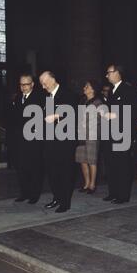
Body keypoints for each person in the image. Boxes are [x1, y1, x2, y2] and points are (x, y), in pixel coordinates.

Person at [40, 71, 77, 213]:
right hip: (50, 141)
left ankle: (65, 202)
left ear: (52, 79)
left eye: (44, 83)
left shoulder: (69, 94)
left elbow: (73, 113)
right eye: (42, 84)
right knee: (52, 171)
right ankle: (56, 197)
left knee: (65, 171)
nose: (43, 86)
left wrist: (56, 116)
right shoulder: (48, 97)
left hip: (65, 141)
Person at [103, 64, 137, 204]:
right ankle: (113, 192)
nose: (107, 75)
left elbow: (133, 111)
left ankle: (123, 195)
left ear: (117, 73)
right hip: (111, 133)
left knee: (122, 165)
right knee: (111, 164)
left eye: (108, 72)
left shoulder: (128, 90)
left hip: (122, 133)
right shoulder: (112, 91)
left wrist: (114, 115)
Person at [11, 73, 45, 204]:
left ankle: (34, 194)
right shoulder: (18, 98)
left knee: (34, 167)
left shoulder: (39, 97)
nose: (23, 87)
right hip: (20, 139)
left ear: (32, 84)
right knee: (22, 167)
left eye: (26, 84)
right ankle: (24, 193)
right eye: (21, 84)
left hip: (34, 139)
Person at [76, 80, 103, 194]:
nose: (84, 88)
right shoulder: (83, 101)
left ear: (93, 89)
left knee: (92, 160)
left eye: (87, 86)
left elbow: (99, 119)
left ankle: (92, 185)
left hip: (92, 134)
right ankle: (86, 183)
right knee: (82, 159)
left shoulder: (98, 102)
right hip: (82, 134)